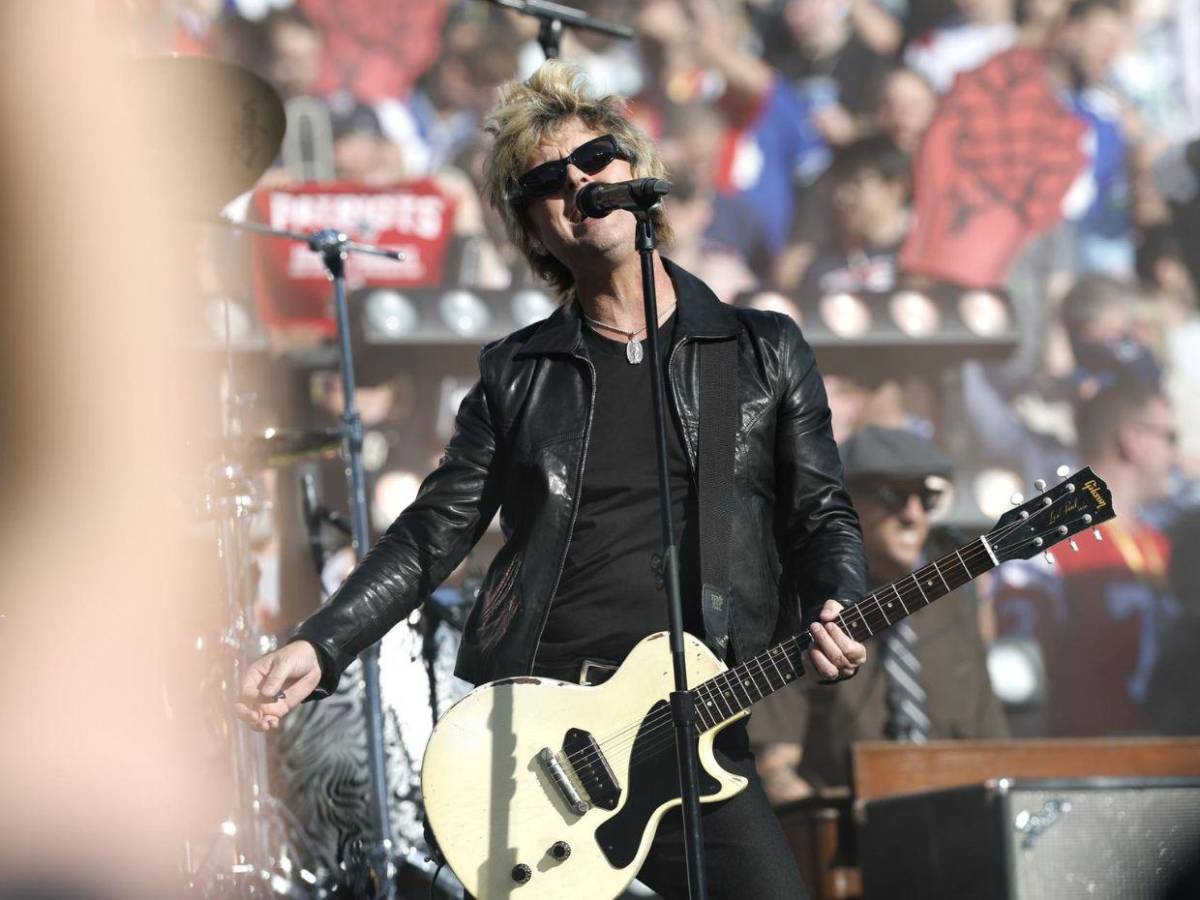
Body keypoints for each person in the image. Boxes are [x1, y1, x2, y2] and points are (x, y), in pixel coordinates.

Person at [236, 60, 868, 898]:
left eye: (596, 158)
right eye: (547, 181)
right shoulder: (518, 374)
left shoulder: (760, 350)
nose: (578, 183)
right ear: (533, 233)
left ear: (638, 175)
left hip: (698, 729)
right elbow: (432, 535)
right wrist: (323, 641)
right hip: (545, 739)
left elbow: (820, 512)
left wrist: (838, 597)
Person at [750, 427, 1008, 800]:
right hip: (848, 829)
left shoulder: (955, 605)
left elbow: (996, 752)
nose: (913, 515)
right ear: (842, 503)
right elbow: (775, 771)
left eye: (928, 499)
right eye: (893, 496)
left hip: (960, 822)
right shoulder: (804, 607)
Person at [991, 379, 1178, 736]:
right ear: (1132, 440)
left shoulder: (1159, 544)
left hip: (1165, 755)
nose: (1177, 455)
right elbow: (1021, 682)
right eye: (1170, 438)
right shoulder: (1046, 542)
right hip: (1081, 758)